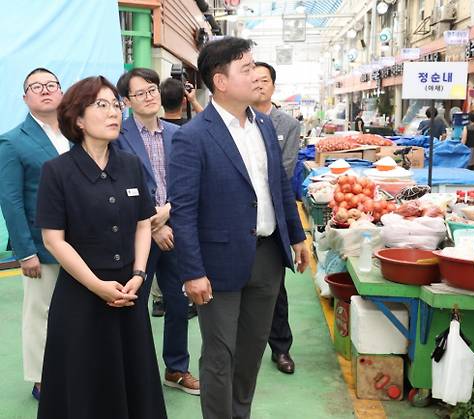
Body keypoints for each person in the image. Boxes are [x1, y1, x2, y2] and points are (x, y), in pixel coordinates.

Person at [168, 37, 310, 419]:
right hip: (217, 264)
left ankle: (239, 414)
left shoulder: (263, 125)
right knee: (219, 354)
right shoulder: (192, 137)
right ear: (221, 81)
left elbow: (278, 185)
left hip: (265, 257)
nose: (255, 76)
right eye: (245, 69)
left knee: (250, 350)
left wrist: (296, 236)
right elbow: (182, 212)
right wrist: (192, 272)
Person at [35, 76, 167, 419]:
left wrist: (139, 273)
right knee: (84, 383)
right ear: (78, 119)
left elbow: (142, 222)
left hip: (128, 291)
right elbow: (54, 239)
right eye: (102, 105)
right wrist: (97, 286)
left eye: (116, 105)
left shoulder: (130, 165)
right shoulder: (57, 171)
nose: (114, 113)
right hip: (81, 297)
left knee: (133, 377)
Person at [116, 67, 200, 395]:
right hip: (136, 235)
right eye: (141, 93)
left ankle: (176, 368)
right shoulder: (118, 137)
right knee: (133, 304)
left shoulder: (178, 134)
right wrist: (153, 226)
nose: (150, 97)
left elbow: (188, 183)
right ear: (126, 101)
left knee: (180, 304)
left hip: (175, 230)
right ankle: (134, 371)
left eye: (152, 90)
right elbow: (121, 187)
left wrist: (167, 216)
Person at [0, 68, 68, 401]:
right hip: (41, 248)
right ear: (25, 97)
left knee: (75, 314)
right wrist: (25, 252)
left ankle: (73, 369)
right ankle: (42, 378)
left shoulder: (77, 133)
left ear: (61, 91)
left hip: (83, 245)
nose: (45, 91)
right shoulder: (12, 141)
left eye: (51, 85)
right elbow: (10, 200)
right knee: (41, 314)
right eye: (35, 87)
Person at [253, 61, 302, 374]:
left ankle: (281, 348)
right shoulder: (237, 121)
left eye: (264, 80)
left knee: (275, 290)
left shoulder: (287, 124)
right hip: (240, 220)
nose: (258, 85)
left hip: (273, 219)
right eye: (253, 79)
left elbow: (285, 170)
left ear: (273, 85)